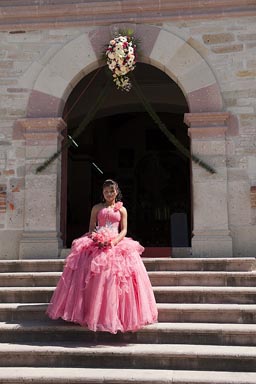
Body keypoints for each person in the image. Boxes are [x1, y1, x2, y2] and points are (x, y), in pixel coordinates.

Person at [46, 179, 158, 334]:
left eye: (111, 191)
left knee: (116, 279)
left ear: (116, 192)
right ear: (103, 193)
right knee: (91, 275)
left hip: (116, 243)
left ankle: (115, 315)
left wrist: (114, 241)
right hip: (97, 242)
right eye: (106, 192)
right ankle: (89, 312)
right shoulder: (96, 208)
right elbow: (91, 228)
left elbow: (124, 230)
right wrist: (97, 238)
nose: (109, 194)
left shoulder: (122, 209)